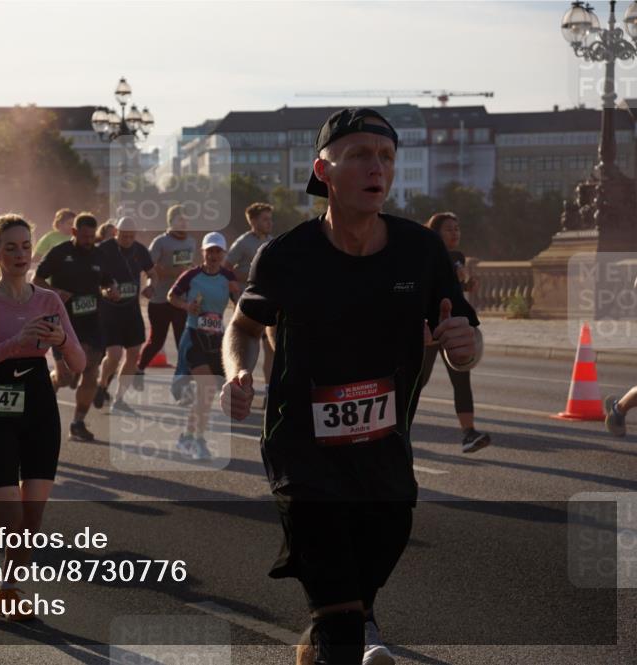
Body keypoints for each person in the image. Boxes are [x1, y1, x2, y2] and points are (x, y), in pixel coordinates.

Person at [221, 108, 482, 665]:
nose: (376, 168)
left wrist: (464, 347)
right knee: (343, 624)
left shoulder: (421, 250)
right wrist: (236, 372)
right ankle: (339, 631)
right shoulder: (287, 255)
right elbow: (242, 328)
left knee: (361, 582)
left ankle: (330, 631)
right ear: (325, 169)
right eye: (360, 155)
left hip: (386, 454)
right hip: (303, 452)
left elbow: (464, 336)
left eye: (386, 157)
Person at [0, 213, 84, 620]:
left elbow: (79, 363)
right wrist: (15, 343)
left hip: (39, 405)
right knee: (10, 516)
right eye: (10, 247)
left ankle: (10, 590)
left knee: (31, 517)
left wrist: (61, 340)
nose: (20, 254)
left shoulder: (48, 301)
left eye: (26, 246)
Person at [34, 212, 115, 442]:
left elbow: (107, 280)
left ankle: (78, 423)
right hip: (63, 323)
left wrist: (111, 289)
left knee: (91, 373)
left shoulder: (100, 255)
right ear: (74, 233)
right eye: (85, 236)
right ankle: (48, 389)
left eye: (92, 236)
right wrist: (55, 293)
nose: (89, 240)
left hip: (92, 323)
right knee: (67, 377)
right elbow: (37, 280)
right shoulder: (60, 253)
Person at [421, 212, 490, 453]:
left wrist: (468, 284)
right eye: (449, 229)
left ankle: (468, 433)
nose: (455, 233)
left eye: (457, 228)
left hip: (455, 327)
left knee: (461, 380)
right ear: (436, 233)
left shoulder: (459, 257)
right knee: (419, 380)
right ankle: (396, 425)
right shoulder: (427, 256)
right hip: (432, 327)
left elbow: (459, 288)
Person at [168, 232, 239, 460]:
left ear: (223, 253)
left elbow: (239, 304)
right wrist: (187, 306)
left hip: (216, 339)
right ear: (203, 252)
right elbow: (172, 296)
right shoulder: (192, 275)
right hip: (194, 337)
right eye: (210, 251)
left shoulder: (228, 276)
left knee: (205, 394)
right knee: (206, 388)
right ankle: (198, 440)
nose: (214, 255)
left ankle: (187, 437)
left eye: (218, 251)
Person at [93, 217, 154, 414]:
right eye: (124, 235)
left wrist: (151, 285)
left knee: (134, 354)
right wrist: (105, 290)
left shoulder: (140, 250)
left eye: (131, 236)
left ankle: (119, 399)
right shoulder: (104, 249)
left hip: (132, 310)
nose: (128, 239)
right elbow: (93, 276)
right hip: (109, 310)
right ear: (115, 232)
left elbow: (153, 273)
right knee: (114, 355)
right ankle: (101, 385)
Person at [134, 204, 197, 390]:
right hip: (160, 299)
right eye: (180, 219)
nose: (184, 222)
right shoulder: (161, 242)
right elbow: (149, 267)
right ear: (171, 221)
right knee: (157, 341)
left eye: (186, 219)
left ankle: (182, 383)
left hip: (180, 300)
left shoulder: (191, 242)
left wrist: (189, 272)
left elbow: (188, 266)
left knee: (182, 342)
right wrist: (173, 272)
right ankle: (138, 369)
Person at [225, 202, 275, 387]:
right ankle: (241, 386)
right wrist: (238, 284)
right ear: (253, 221)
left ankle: (270, 392)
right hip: (248, 304)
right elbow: (226, 268)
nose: (269, 223)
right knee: (248, 351)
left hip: (268, 302)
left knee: (270, 349)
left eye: (270, 219)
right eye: (265, 219)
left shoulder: (273, 241)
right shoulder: (243, 242)